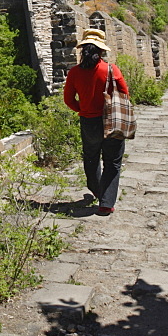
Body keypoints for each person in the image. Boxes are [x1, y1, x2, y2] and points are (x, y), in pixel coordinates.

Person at [63, 28, 129, 216]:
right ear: (101, 51)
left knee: (91, 157)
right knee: (113, 161)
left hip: (88, 121)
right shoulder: (111, 69)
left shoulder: (74, 73)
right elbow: (125, 94)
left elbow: (68, 99)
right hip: (111, 122)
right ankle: (106, 203)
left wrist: (82, 109)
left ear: (83, 50)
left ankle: (96, 190)